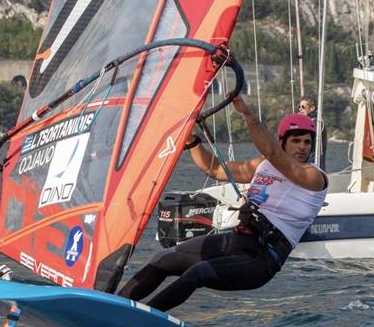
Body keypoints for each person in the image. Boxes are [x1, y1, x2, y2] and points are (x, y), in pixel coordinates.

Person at [117, 97, 327, 312]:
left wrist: (247, 114)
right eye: (296, 141)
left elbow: (273, 153)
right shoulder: (262, 166)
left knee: (198, 272)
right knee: (163, 258)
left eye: (307, 142)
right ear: (282, 141)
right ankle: (113, 307)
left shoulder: (314, 177)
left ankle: (143, 321)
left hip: (261, 259)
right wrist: (192, 141)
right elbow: (215, 169)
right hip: (236, 241)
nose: (302, 147)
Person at [298, 95, 327, 170]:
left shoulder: (316, 122)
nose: (300, 109)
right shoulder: (310, 121)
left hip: (313, 165)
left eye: (303, 107)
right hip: (308, 163)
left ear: (312, 108)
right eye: (299, 107)